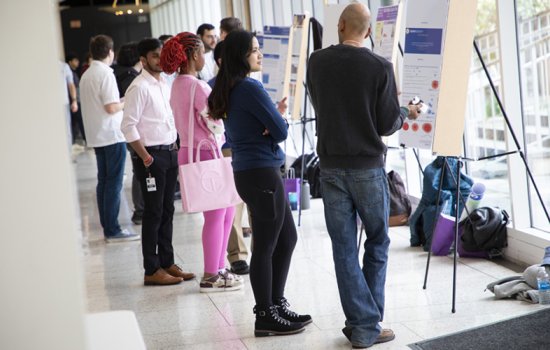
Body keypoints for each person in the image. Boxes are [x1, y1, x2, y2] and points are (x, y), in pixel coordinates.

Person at [306, 3, 420, 349]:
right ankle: (368, 324)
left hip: (329, 167)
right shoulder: (380, 67)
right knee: (378, 241)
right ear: (368, 32)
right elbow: (387, 123)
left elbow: (320, 104)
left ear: (340, 26)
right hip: (367, 168)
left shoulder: (316, 62)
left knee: (343, 247)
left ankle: (361, 322)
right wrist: (406, 112)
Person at [208, 30, 311, 336]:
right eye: (254, 50)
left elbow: (268, 127)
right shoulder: (250, 87)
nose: (260, 54)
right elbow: (279, 131)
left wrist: (270, 123)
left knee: (287, 238)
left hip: (253, 172)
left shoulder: (230, 87)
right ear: (241, 56)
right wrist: (274, 123)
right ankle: (264, 313)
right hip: (261, 172)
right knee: (266, 245)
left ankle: (276, 304)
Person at [160, 32, 243, 293]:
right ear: (193, 55)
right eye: (202, 53)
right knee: (217, 214)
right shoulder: (198, 87)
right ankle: (211, 273)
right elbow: (215, 123)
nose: (205, 58)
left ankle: (219, 267)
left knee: (226, 210)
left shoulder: (177, 85)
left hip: (189, 150)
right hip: (205, 152)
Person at [122, 38, 195, 286]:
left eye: (161, 55)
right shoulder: (139, 87)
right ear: (143, 60)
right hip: (151, 156)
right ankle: (151, 269)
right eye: (155, 56)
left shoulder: (164, 82)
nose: (160, 60)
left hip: (170, 152)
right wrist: (144, 156)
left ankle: (167, 262)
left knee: (167, 210)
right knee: (153, 213)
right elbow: (127, 126)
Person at [80, 34, 139, 242]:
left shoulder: (87, 74)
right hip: (111, 134)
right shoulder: (105, 73)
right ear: (110, 52)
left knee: (104, 181)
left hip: (97, 134)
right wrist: (126, 101)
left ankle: (109, 226)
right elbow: (111, 106)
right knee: (113, 183)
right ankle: (113, 229)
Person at [113, 42, 145, 225]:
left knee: (137, 169)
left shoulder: (116, 72)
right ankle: (140, 210)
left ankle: (140, 209)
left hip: (123, 127)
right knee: (139, 170)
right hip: (133, 130)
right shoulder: (131, 77)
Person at [66, 53, 86, 144]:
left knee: (76, 122)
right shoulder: (69, 72)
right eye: (75, 60)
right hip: (74, 100)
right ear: (70, 62)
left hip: (77, 100)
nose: (77, 62)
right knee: (77, 121)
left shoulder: (74, 73)